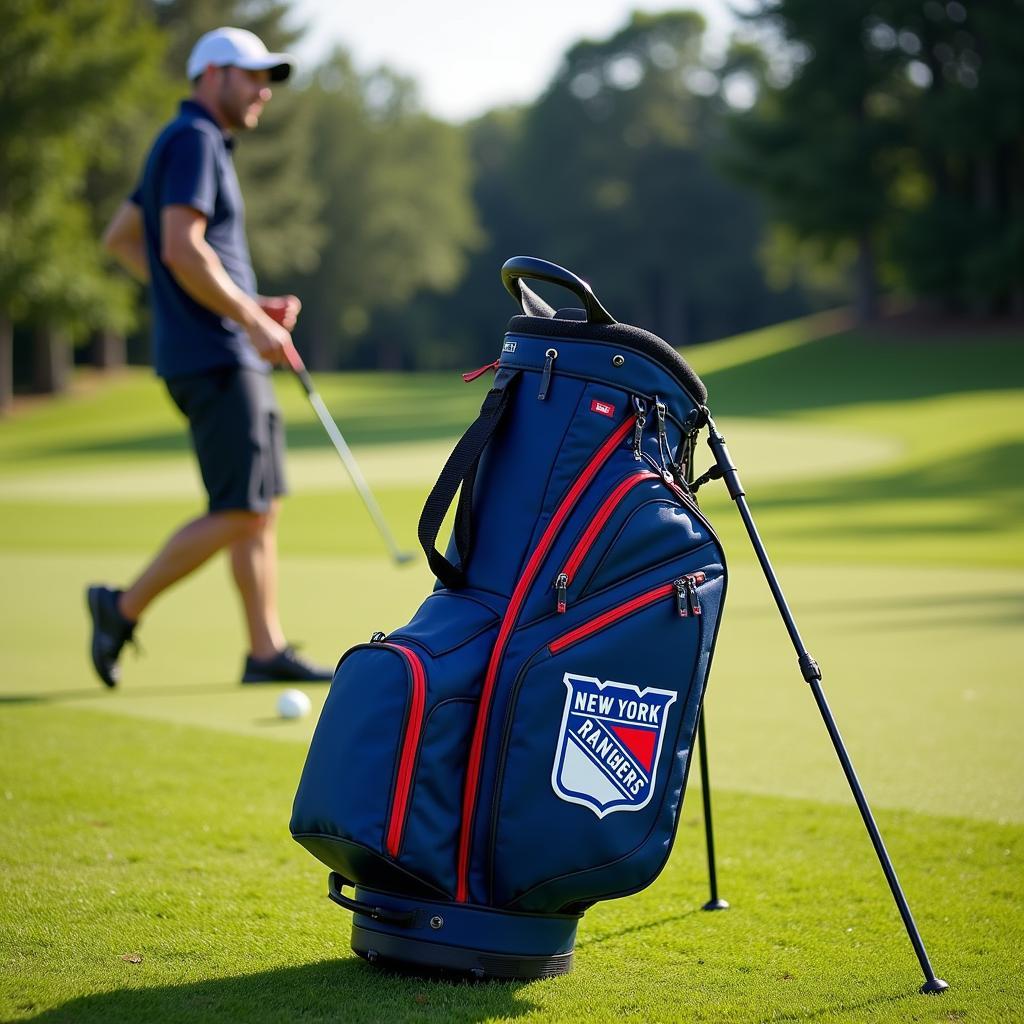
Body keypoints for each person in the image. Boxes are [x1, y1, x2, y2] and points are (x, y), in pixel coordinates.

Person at [90, 27, 331, 687]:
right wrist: (249, 318)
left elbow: (123, 240)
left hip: (212, 348)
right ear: (212, 74)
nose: (262, 92)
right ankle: (120, 607)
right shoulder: (195, 139)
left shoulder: (185, 141)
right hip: (218, 358)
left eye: (266, 81)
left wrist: (229, 302)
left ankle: (264, 649)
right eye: (252, 77)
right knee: (243, 508)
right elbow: (180, 248)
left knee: (260, 503)